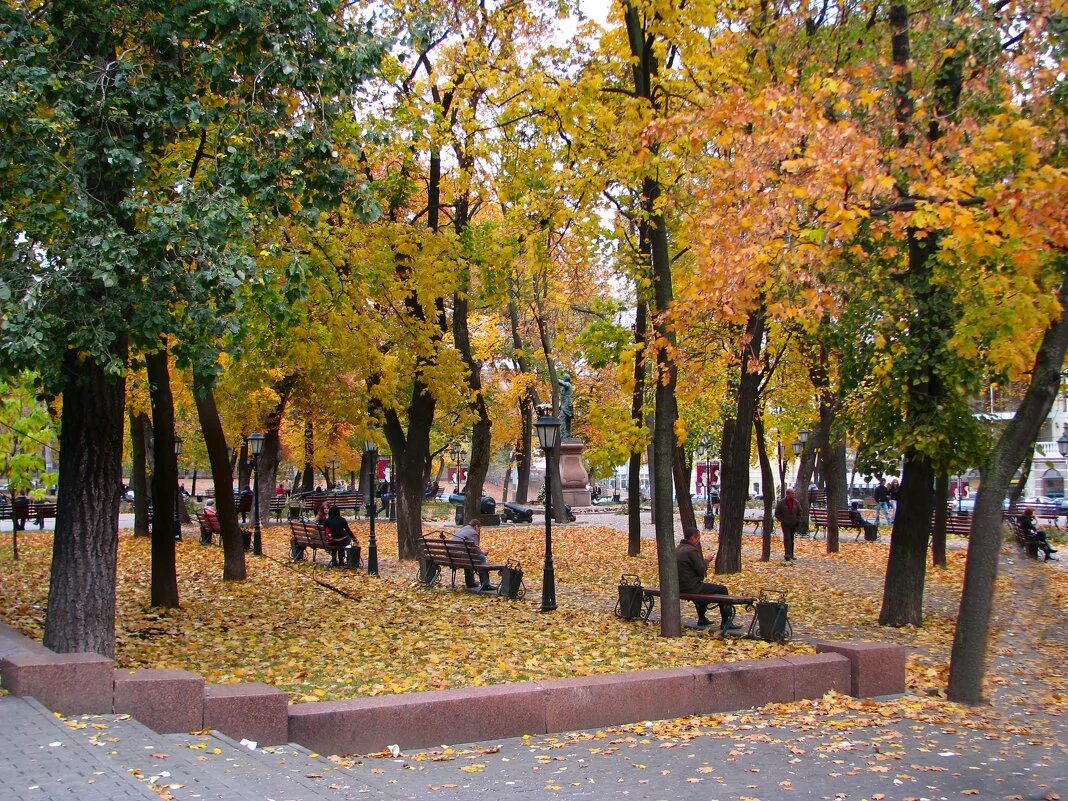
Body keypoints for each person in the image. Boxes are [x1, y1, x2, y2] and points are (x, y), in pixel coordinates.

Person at [676, 527, 742, 631]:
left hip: (678, 586)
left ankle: (702, 618)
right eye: (698, 538)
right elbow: (701, 569)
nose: (698, 541)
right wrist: (706, 560)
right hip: (690, 587)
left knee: (702, 595)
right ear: (693, 538)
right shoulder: (691, 550)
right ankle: (726, 622)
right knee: (722, 589)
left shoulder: (678, 548)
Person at [451, 518, 494, 592]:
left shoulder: (463, 529)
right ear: (476, 526)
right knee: (481, 557)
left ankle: (470, 583)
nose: (479, 530)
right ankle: (486, 584)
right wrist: (483, 552)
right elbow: (475, 550)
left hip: (452, 556)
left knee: (469, 558)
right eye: (479, 528)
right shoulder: (473, 532)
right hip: (462, 556)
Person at [774, 487, 802, 561]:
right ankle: (787, 554)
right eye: (792, 493)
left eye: (793, 493)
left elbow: (799, 512)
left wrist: (797, 520)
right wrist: (782, 520)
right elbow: (777, 513)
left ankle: (791, 554)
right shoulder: (781, 502)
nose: (793, 494)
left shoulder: (796, 502)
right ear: (787, 494)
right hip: (785, 524)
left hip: (793, 523)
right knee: (787, 538)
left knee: (791, 539)